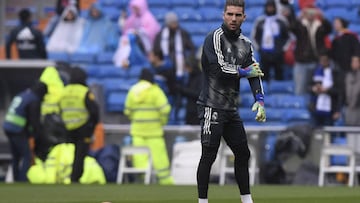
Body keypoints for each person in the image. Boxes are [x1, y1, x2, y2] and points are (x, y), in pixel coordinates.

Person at [196, 1, 265, 203]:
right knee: (209, 154)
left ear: (244, 17)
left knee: (243, 153)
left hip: (230, 108)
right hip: (211, 105)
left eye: (237, 15)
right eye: (230, 14)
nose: (233, 19)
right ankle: (202, 201)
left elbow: (255, 73)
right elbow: (218, 69)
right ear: (223, 15)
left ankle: (246, 200)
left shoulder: (246, 44)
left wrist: (260, 100)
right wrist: (244, 72)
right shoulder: (214, 38)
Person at [124, 68, 174, 185]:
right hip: (154, 133)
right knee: (160, 162)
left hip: (138, 133)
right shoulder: (155, 91)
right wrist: (162, 121)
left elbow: (127, 111)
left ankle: (143, 183)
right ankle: (166, 183)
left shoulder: (132, 91)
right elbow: (166, 109)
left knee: (140, 161)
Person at [59, 67, 99, 183]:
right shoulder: (84, 91)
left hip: (66, 128)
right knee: (80, 155)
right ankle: (75, 178)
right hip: (83, 128)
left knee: (67, 153)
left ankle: (63, 174)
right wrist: (92, 126)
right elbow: (94, 110)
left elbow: (60, 108)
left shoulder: (64, 91)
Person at [2, 81, 48, 182]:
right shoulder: (34, 99)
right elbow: (34, 121)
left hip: (8, 126)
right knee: (26, 155)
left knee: (16, 156)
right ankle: (22, 180)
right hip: (17, 129)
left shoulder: (23, 94)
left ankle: (15, 178)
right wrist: (37, 135)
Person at [286, 5, 332, 95]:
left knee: (317, 88)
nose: (310, 15)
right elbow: (291, 28)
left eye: (312, 13)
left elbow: (329, 29)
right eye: (308, 13)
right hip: (301, 61)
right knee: (300, 89)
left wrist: (322, 18)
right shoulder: (300, 25)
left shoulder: (320, 25)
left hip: (316, 60)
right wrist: (299, 17)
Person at [252, 0, 290, 81]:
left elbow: (288, 37)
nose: (270, 9)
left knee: (279, 76)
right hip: (264, 53)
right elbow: (254, 36)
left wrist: (283, 49)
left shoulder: (281, 20)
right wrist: (259, 48)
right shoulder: (260, 21)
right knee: (264, 76)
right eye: (268, 7)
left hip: (278, 53)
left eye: (272, 7)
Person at [153, 12, 196, 80]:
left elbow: (192, 49)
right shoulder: (161, 35)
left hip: (180, 66)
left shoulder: (183, 34)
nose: (175, 25)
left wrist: (187, 61)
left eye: (175, 22)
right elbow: (156, 50)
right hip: (165, 68)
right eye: (172, 23)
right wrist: (159, 62)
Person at [309, 52, 342, 127]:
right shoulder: (315, 72)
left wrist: (327, 90)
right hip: (316, 108)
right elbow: (309, 86)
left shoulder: (335, 73)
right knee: (315, 133)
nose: (323, 62)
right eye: (321, 60)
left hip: (330, 109)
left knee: (328, 134)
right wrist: (314, 89)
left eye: (325, 60)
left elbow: (339, 91)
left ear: (329, 61)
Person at [176, 56, 203, 125]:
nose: (186, 69)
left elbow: (199, 94)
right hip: (189, 110)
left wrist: (183, 90)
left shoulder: (201, 77)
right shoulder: (188, 77)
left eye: (188, 66)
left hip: (196, 111)